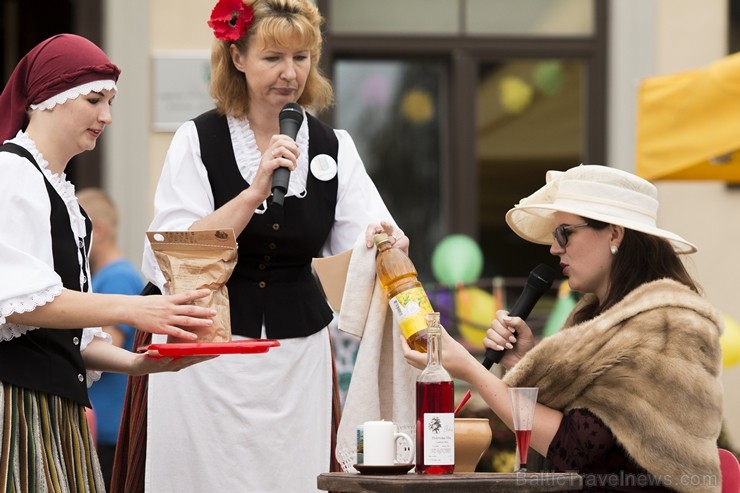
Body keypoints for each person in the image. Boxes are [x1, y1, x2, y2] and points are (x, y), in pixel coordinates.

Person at [112, 1, 406, 492]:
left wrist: (386, 243)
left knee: (292, 477)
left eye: (301, 57)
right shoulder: (197, 139)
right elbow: (173, 258)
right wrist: (252, 192)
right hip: (204, 353)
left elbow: (367, 242)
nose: (289, 73)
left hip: (296, 357)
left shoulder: (334, 147)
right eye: (273, 57)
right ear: (238, 57)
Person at [402, 165, 724, 493]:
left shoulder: (667, 325)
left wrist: (470, 369)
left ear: (614, 233)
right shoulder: (596, 321)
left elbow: (576, 447)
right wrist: (523, 363)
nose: (555, 248)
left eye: (564, 233)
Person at [0, 33, 218, 492]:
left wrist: (139, 364)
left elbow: (64, 333)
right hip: (16, 406)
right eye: (95, 99)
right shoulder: (11, 174)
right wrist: (132, 308)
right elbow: (16, 304)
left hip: (54, 409)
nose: (107, 116)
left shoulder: (67, 201)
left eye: (110, 101)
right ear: (48, 98)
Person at [76, 187, 145, 490]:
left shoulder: (117, 278)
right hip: (103, 424)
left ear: (97, 231)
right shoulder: (103, 277)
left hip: (110, 426)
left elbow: (109, 341)